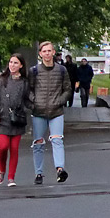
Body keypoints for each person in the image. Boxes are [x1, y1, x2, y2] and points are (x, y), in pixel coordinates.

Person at [30, 41, 72, 184]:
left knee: (57, 140)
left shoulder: (61, 70)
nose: (47, 54)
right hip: (38, 112)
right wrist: (34, 101)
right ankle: (39, 173)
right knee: (38, 143)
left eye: (49, 51)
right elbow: (28, 90)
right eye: (44, 51)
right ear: (40, 54)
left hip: (56, 112)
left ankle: (60, 169)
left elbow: (68, 89)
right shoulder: (34, 71)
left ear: (54, 52)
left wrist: (60, 101)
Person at [0, 53, 31, 186]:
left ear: (21, 66)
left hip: (17, 120)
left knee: (14, 148)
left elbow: (27, 99)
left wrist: (35, 107)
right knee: (3, 147)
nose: (12, 65)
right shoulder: (2, 80)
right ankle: (2, 170)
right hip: (2, 120)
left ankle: (11, 177)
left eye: (16, 63)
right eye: (11, 62)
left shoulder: (24, 82)